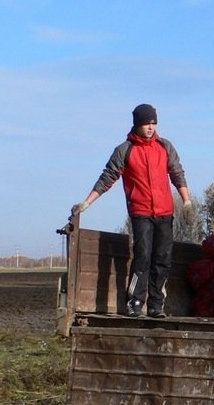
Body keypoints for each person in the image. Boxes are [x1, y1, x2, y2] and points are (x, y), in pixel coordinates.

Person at [72, 103, 192, 319]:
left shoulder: (165, 147)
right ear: (137, 124)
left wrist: (186, 201)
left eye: (154, 123)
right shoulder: (125, 150)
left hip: (165, 212)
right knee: (143, 256)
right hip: (141, 212)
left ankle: (157, 304)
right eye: (146, 123)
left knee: (163, 258)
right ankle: (135, 302)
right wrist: (87, 202)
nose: (151, 127)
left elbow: (177, 173)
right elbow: (107, 177)